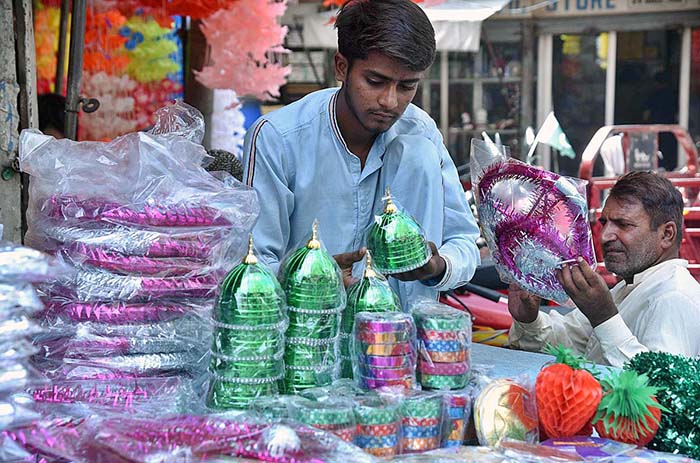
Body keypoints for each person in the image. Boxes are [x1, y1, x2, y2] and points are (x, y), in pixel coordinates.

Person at [242, 0, 480, 308]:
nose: (390, 101)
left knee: (417, 151)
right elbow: (253, 262)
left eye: (407, 86)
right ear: (341, 67)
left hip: (398, 337)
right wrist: (312, 280)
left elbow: (463, 242)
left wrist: (437, 266)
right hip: (308, 332)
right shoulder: (278, 138)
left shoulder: (420, 130)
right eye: (375, 81)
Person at [507, 171, 700, 367]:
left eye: (623, 225)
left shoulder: (673, 297)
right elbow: (566, 341)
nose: (605, 236)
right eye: (604, 223)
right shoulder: (628, 288)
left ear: (667, 234)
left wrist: (604, 316)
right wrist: (529, 319)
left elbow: (662, 390)